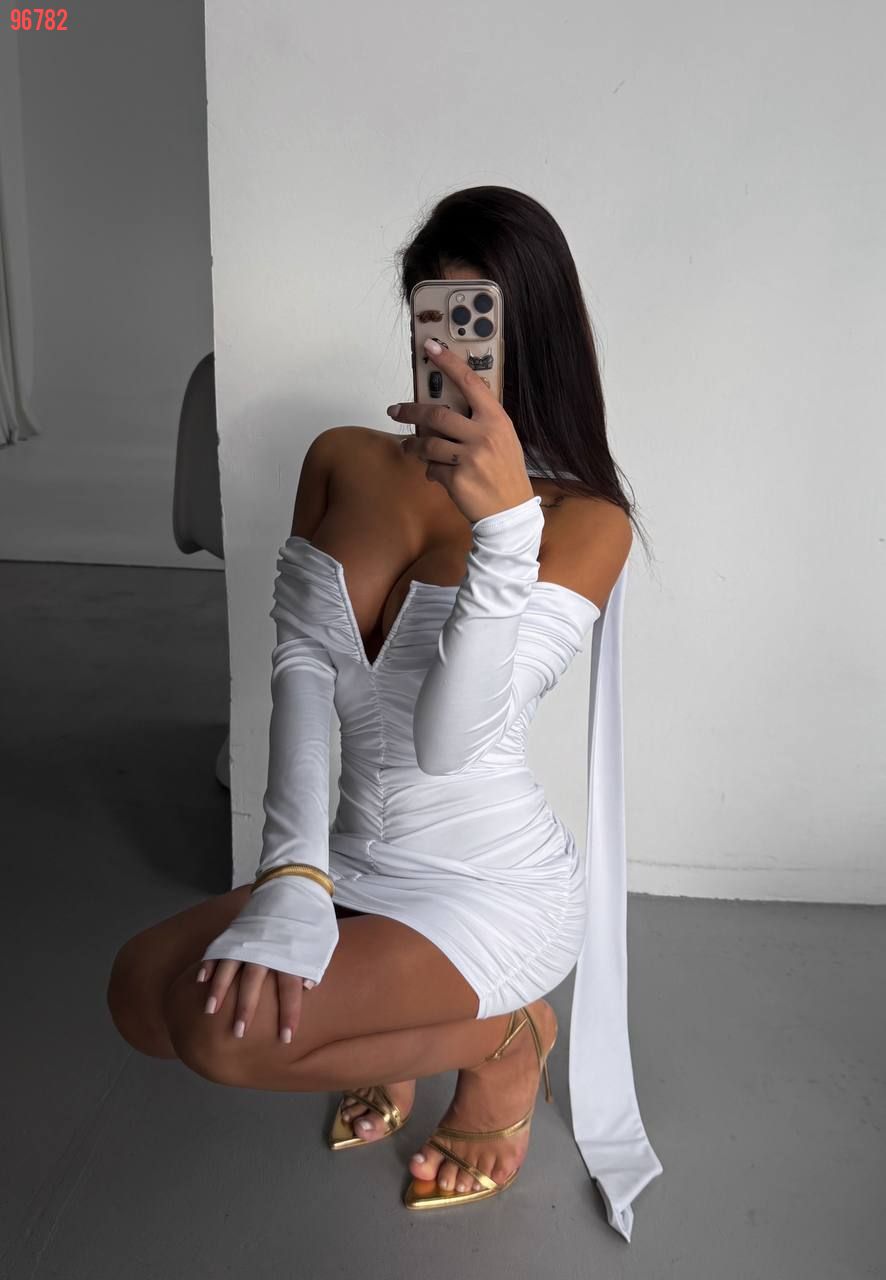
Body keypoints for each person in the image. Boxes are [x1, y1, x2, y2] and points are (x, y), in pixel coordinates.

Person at [107, 185, 662, 1236]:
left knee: (225, 1037)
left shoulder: (586, 522)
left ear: (531, 331)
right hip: (349, 858)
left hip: (486, 884)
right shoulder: (343, 457)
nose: (449, 348)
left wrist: (504, 534)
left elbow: (448, 744)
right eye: (431, 315)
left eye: (476, 320)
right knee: (139, 992)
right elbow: (301, 672)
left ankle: (504, 1039)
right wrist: (292, 874)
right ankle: (401, 1010)